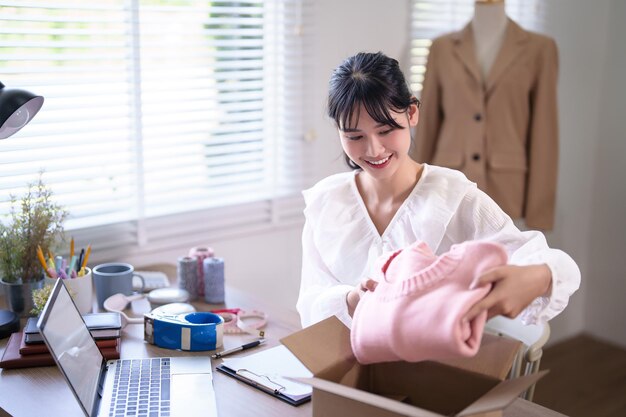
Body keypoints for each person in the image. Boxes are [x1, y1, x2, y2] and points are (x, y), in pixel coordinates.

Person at [297, 51, 580, 329]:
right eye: (354, 136)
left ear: (412, 113)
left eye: (385, 131)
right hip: (345, 364)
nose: (373, 150)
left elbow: (548, 263)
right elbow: (309, 301)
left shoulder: (454, 198)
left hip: (430, 368)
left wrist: (539, 276)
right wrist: (352, 300)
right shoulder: (327, 203)